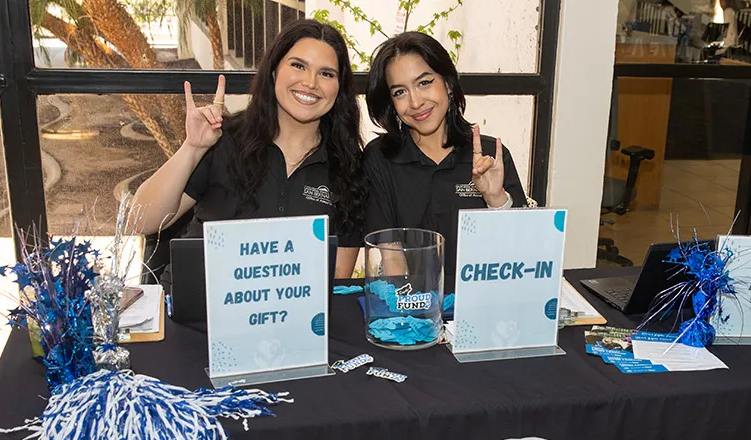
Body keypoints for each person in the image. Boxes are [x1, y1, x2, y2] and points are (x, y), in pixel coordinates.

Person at [131, 19, 366, 285]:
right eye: (298, 66)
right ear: (274, 70)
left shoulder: (349, 166)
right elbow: (141, 221)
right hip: (193, 313)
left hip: (284, 318)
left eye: (327, 73)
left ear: (339, 87)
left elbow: (336, 284)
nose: (310, 83)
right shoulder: (223, 139)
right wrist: (192, 148)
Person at [347, 31, 528, 281]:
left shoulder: (490, 156)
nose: (416, 102)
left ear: (449, 85)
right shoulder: (379, 158)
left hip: (481, 303)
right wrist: (416, 314)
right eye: (400, 92)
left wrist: (495, 198)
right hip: (413, 308)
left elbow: (521, 254)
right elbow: (391, 257)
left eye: (424, 83)